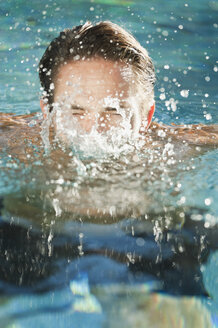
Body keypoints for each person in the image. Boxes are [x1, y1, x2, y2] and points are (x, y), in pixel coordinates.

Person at [37, 20, 218, 147]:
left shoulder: (174, 148)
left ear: (146, 118)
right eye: (76, 111)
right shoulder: (15, 146)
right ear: (47, 112)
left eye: (114, 111)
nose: (94, 130)